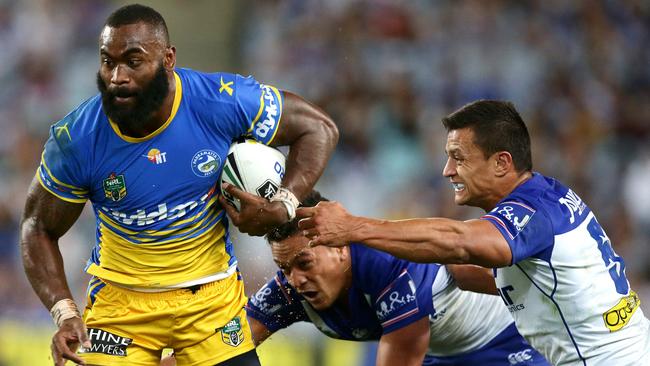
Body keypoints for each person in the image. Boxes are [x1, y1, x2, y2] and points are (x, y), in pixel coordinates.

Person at [20, 4, 338, 366]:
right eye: (108, 61)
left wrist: (284, 203)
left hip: (210, 300)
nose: (117, 77)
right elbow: (37, 227)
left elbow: (319, 129)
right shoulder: (76, 139)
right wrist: (64, 312)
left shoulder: (220, 101)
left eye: (133, 61)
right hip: (121, 308)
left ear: (168, 59)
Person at [297, 100, 650, 365]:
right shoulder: (544, 198)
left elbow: (460, 243)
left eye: (458, 157)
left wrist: (354, 228)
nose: (448, 170)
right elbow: (482, 267)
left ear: (501, 162)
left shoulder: (531, 212)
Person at [239, 191, 548, 365]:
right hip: (437, 356)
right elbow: (224, 348)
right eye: (284, 269)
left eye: (305, 262)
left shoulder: (387, 266)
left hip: (505, 343)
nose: (296, 279)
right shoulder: (288, 291)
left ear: (339, 248)